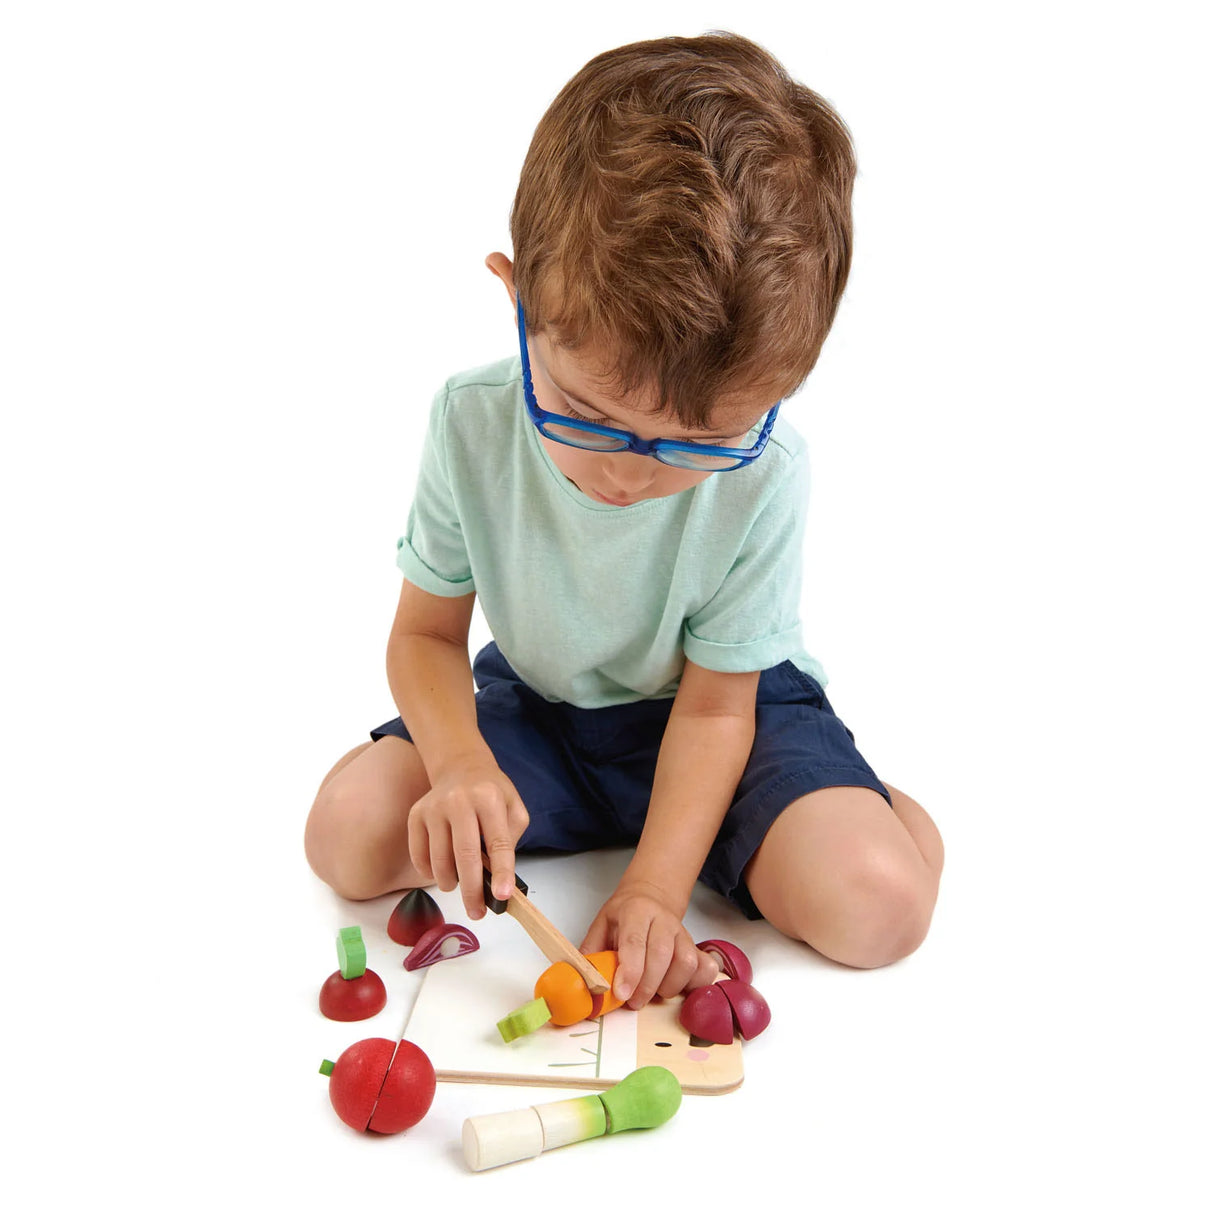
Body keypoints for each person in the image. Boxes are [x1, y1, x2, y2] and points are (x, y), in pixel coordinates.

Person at [305, 31, 944, 1010]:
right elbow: (425, 634)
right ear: (517, 303)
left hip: (726, 715)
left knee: (878, 905)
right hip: (543, 711)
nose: (631, 473)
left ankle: (869, 808)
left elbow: (717, 706)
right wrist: (460, 762)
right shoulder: (469, 420)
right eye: (590, 415)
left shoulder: (766, 470)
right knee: (347, 834)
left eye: (697, 441)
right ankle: (647, 818)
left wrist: (651, 887)